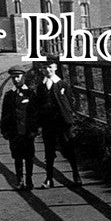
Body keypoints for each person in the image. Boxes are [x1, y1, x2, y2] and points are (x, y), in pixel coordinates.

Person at [35, 55, 81, 188]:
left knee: (68, 148)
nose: (47, 70)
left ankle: (75, 174)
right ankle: (49, 178)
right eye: (44, 67)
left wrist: (68, 118)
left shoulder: (62, 84)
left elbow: (70, 102)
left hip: (62, 123)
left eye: (50, 67)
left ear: (55, 67)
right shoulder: (41, 87)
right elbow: (38, 104)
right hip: (48, 123)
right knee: (49, 151)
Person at [0, 65, 38, 190]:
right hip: (14, 131)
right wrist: (4, 130)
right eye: (13, 77)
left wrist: (35, 129)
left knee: (29, 156)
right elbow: (5, 114)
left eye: (18, 77)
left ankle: (29, 179)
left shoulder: (31, 93)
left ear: (24, 77)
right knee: (17, 156)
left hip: (27, 131)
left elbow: (35, 113)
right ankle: (19, 179)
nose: (16, 80)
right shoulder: (9, 95)